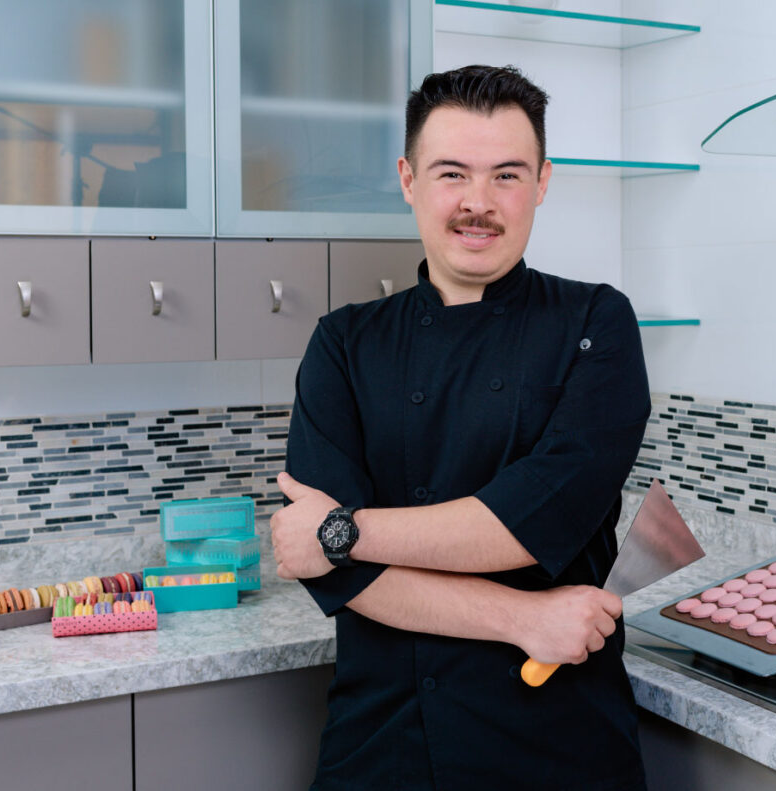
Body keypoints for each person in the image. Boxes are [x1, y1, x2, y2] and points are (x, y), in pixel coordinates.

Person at [271, 64, 652, 791]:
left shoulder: (597, 323)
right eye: (452, 174)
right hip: (382, 744)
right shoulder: (344, 344)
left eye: (507, 175)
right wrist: (523, 618)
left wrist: (339, 532)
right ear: (409, 180)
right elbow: (342, 580)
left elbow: (523, 524)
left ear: (542, 183)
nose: (479, 203)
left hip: (557, 747)